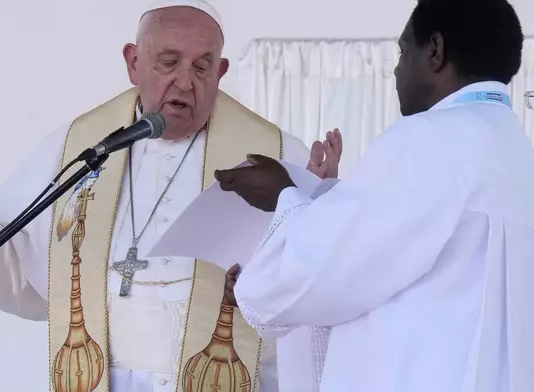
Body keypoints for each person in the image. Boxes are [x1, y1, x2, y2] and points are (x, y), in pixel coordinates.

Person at [0, 1, 342, 391]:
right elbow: (37, 279)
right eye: (169, 62)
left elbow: (313, 293)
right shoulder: (78, 149)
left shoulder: (277, 157)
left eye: (201, 67)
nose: (185, 82)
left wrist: (311, 211)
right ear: (133, 63)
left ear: (221, 71)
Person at [215, 0, 534, 391]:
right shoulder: (515, 151)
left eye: (402, 51)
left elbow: (314, 275)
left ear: (435, 49)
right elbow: (402, 252)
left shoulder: (429, 140)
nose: (397, 69)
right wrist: (324, 198)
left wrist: (284, 195)